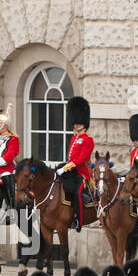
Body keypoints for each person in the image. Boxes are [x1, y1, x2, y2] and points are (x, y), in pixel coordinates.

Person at [55, 96, 94, 232]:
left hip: (82, 173)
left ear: (84, 123)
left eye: (79, 122)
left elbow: (81, 159)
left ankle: (78, 219)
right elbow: (71, 157)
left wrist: (66, 168)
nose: (76, 124)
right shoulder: (74, 138)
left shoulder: (88, 140)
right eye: (75, 122)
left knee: (77, 192)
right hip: (72, 171)